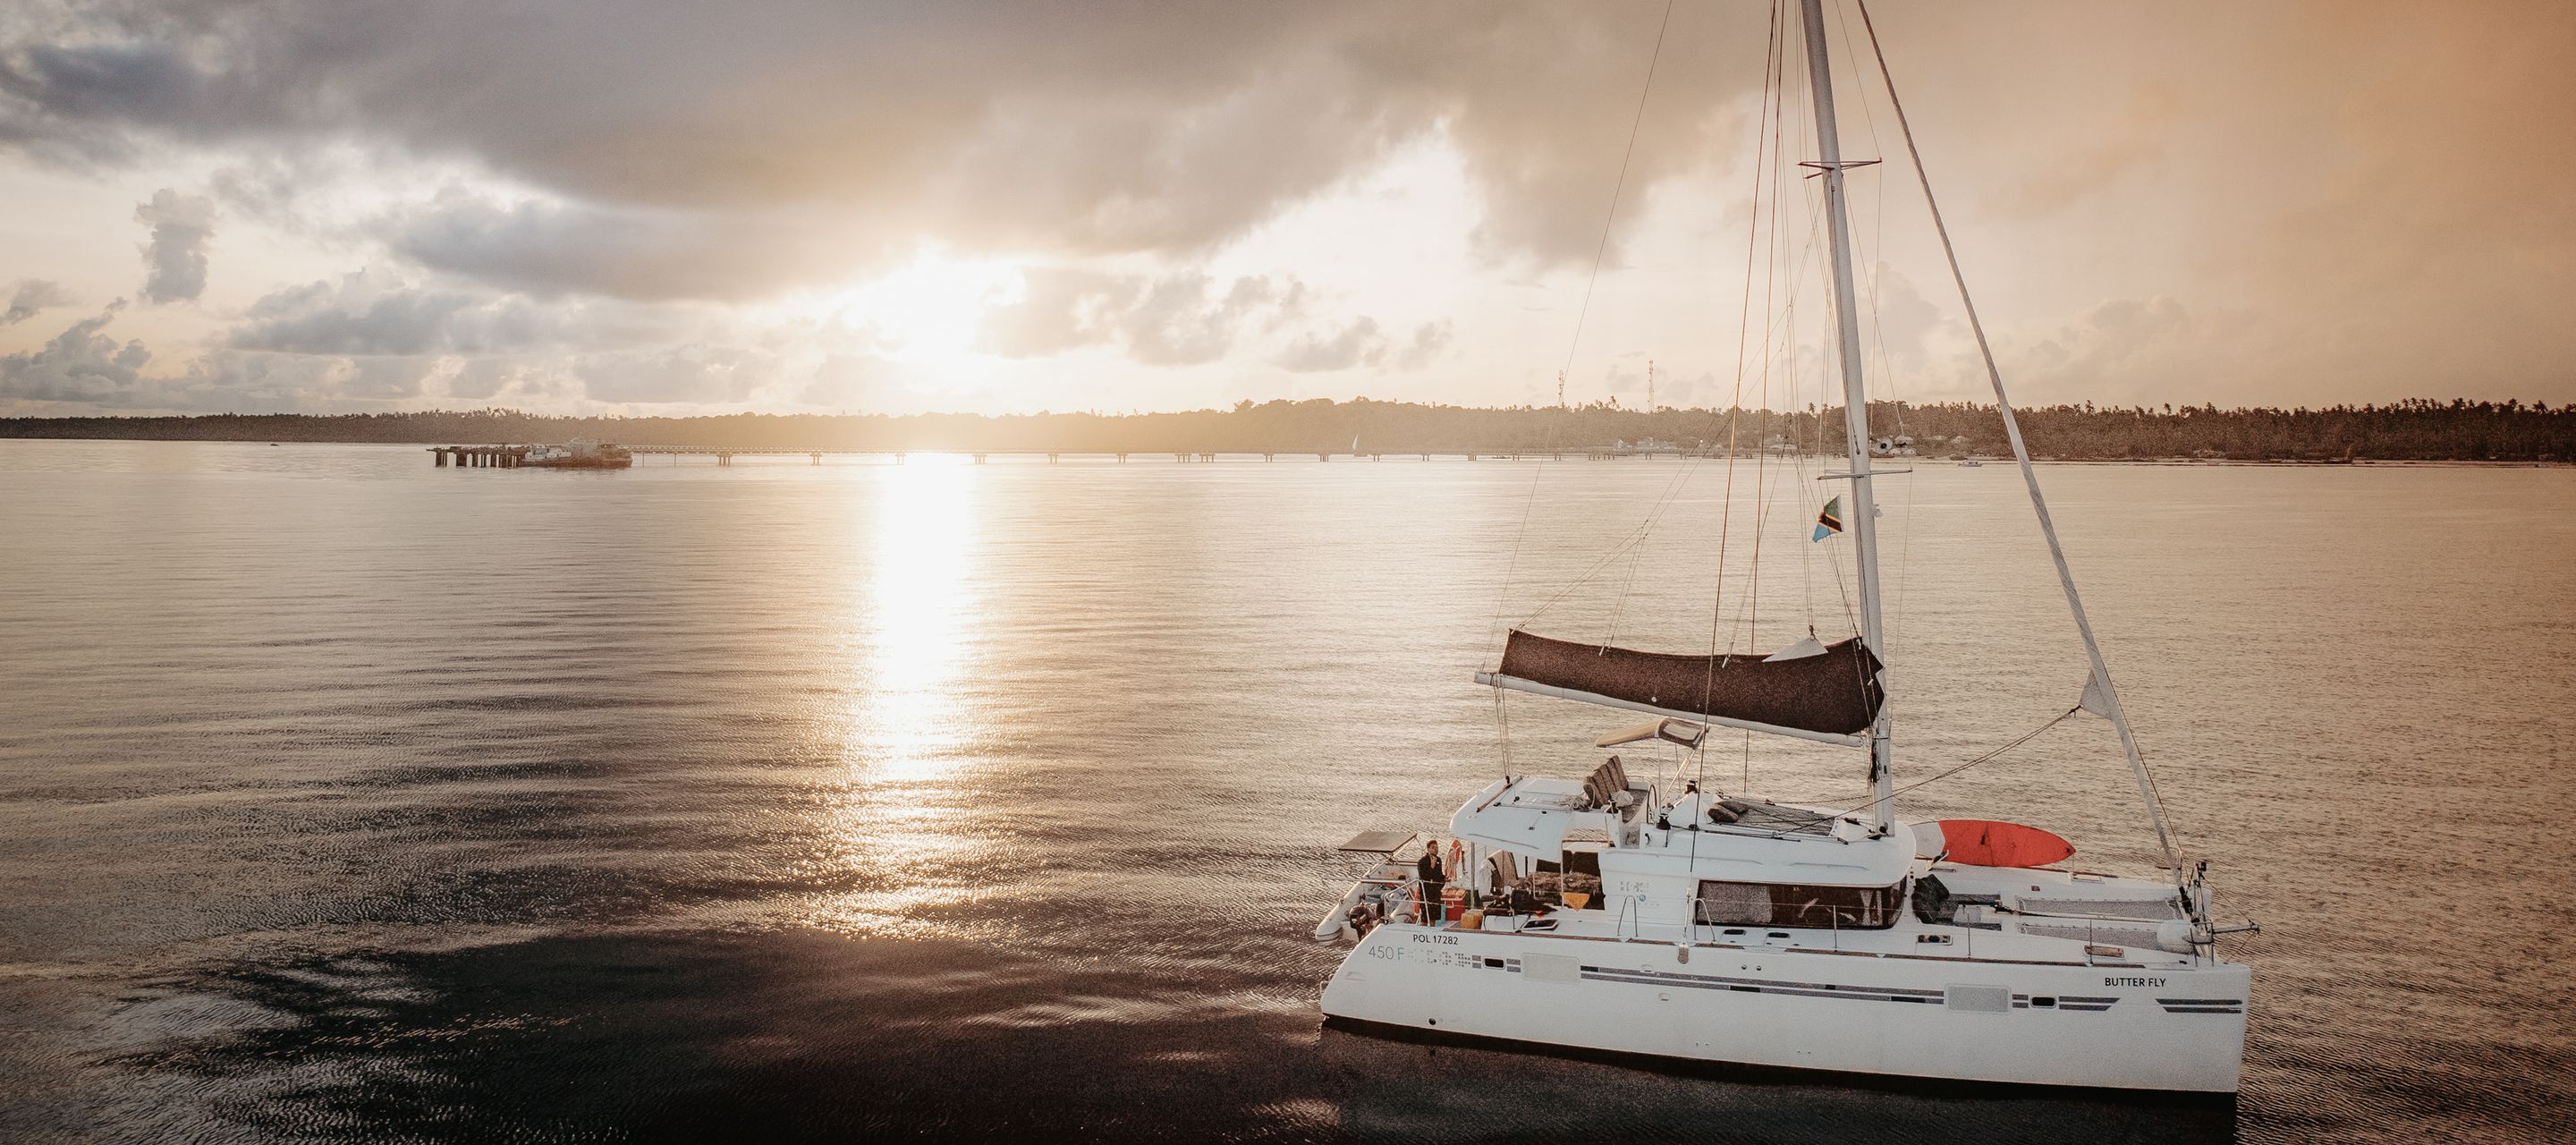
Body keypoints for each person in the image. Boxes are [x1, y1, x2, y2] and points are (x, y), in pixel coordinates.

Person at [1416, 841, 1448, 924]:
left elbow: (1439, 875)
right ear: (1428, 849)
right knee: (1425, 917)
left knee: (1435, 916)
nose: (1435, 850)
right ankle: (1424, 928)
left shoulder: (1439, 860)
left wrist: (1445, 878)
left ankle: (1433, 927)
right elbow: (1423, 876)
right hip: (1426, 892)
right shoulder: (1422, 862)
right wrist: (1432, 867)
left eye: (1437, 848)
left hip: (1435, 892)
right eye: (1433, 848)